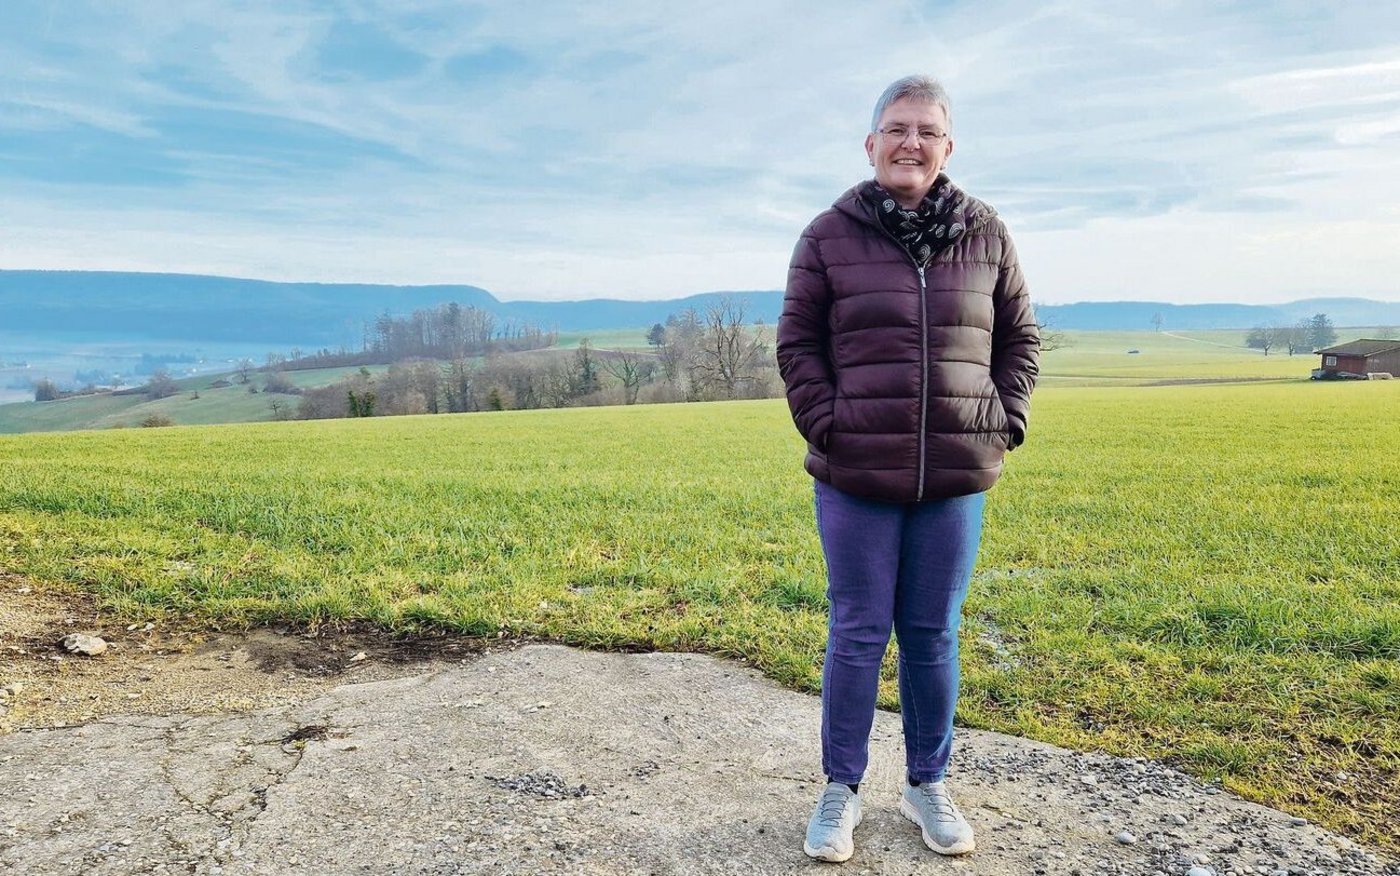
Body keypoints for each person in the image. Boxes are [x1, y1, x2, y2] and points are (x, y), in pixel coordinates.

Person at [776, 75, 1039, 863]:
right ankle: (840, 788)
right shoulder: (829, 235)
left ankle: (928, 784)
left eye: (926, 130)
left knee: (933, 634)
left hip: (955, 476)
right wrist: (830, 426)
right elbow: (797, 344)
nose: (910, 143)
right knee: (857, 632)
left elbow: (1020, 339)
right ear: (871, 143)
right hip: (855, 474)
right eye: (896, 129)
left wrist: (1001, 423)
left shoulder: (986, 233)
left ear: (947, 146)